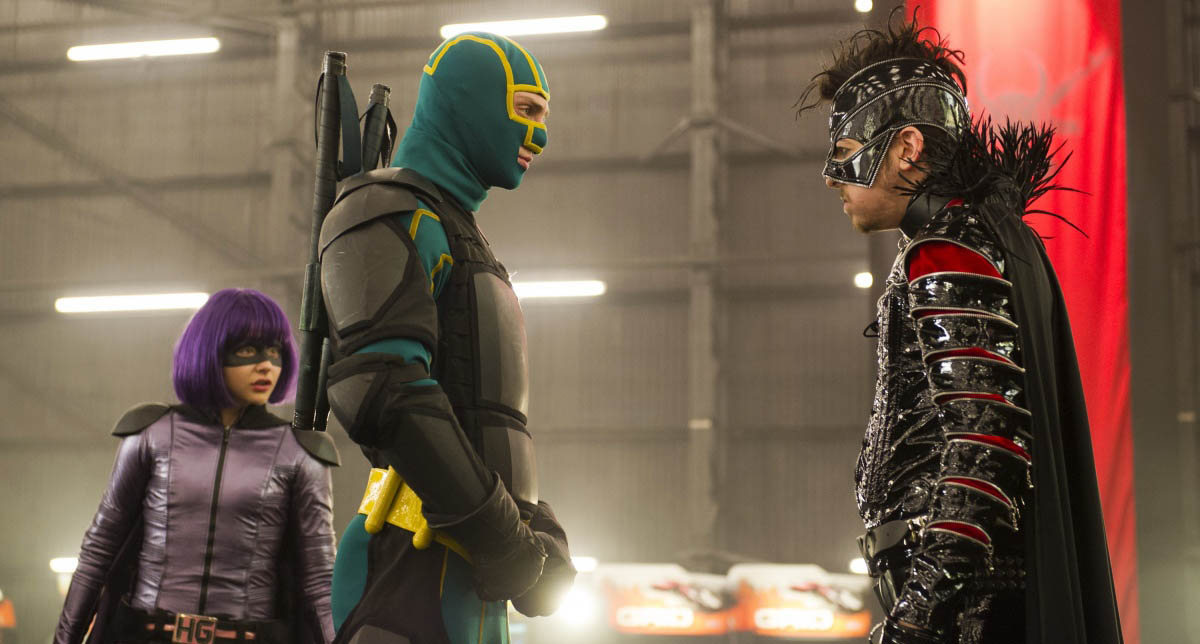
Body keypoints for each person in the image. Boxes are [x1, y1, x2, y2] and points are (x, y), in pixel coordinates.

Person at [798, 14, 1124, 644]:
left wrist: (918, 615)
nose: (832, 176)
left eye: (843, 151)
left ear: (907, 147)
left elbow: (984, 442)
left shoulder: (947, 250)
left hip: (966, 608)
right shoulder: (990, 237)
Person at [320, 31, 575, 644]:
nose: (539, 136)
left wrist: (533, 528)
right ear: (469, 100)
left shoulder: (451, 229)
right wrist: (503, 534)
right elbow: (381, 390)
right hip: (408, 563)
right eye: (526, 110)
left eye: (544, 116)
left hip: (467, 567)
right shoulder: (387, 210)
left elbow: (480, 410)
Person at [54, 288, 339, 644]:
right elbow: (99, 550)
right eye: (247, 350)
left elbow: (320, 579)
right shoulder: (152, 434)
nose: (266, 364)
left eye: (274, 350)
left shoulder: (299, 452)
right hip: (146, 635)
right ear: (209, 352)